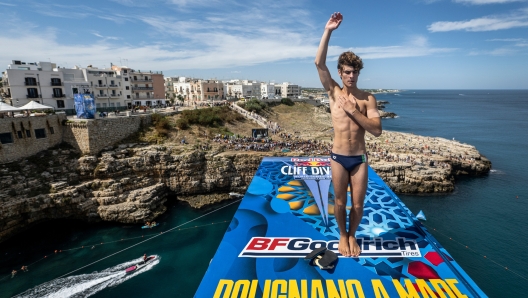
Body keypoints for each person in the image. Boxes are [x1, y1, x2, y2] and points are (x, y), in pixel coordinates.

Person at [315, 12, 382, 257]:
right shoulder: (333, 93)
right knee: (340, 203)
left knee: (358, 204)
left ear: (358, 73)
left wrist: (353, 111)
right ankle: (342, 236)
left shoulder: (367, 99)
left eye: (355, 72)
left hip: (359, 159)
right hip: (338, 157)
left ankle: (352, 235)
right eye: (347, 72)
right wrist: (328, 31)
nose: (351, 76)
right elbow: (319, 64)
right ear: (340, 73)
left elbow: (376, 130)